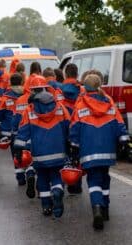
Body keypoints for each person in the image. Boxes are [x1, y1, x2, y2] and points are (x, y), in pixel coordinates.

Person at [69, 74, 129, 230]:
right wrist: (123, 141)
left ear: (85, 87)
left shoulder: (81, 105)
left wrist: (74, 147)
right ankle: (105, 208)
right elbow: (119, 123)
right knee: (105, 178)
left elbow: (74, 129)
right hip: (107, 150)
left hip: (88, 151)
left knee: (93, 180)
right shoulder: (108, 101)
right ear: (99, 85)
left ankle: (96, 207)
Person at [14, 75, 70, 217]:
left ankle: (46, 206)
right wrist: (70, 147)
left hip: (39, 154)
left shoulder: (29, 110)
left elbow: (22, 134)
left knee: (43, 179)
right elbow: (68, 127)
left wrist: (18, 151)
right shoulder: (59, 107)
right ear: (46, 88)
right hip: (58, 151)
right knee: (57, 176)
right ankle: (57, 191)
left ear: (32, 91)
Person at [0, 73, 27, 185]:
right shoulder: (27, 96)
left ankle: (20, 177)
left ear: (10, 83)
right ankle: (30, 171)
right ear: (22, 82)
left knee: (16, 154)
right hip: (26, 129)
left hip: (11, 132)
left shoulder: (5, 97)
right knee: (28, 151)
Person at [60, 63, 85, 194]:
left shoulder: (59, 89)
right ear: (77, 74)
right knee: (77, 155)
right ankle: (76, 185)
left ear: (65, 74)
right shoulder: (82, 90)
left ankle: (65, 181)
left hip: (63, 126)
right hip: (78, 126)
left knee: (65, 154)